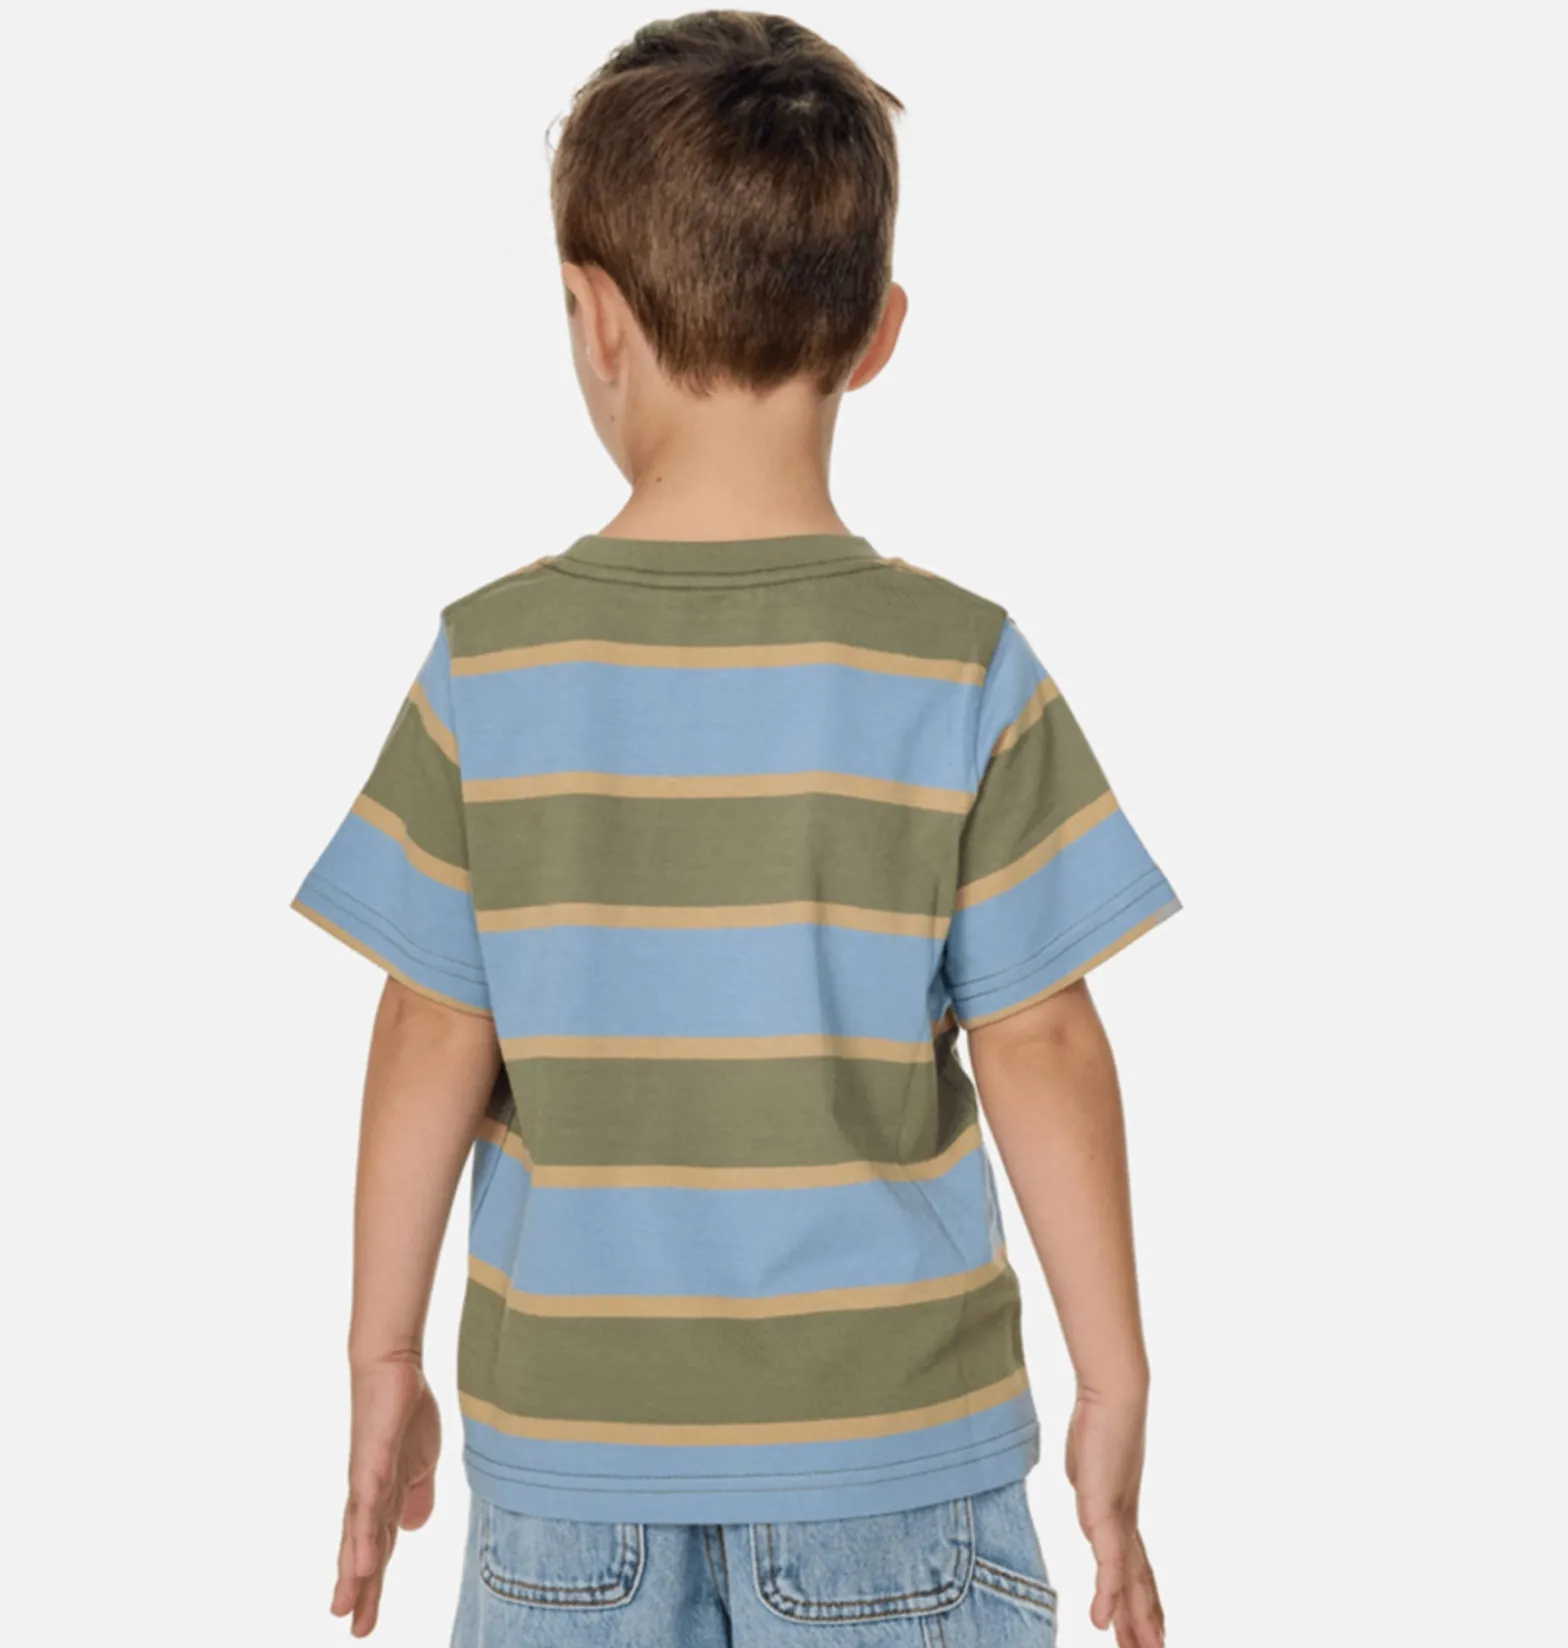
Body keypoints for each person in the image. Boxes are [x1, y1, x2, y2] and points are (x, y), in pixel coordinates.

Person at [291, 12, 1179, 1645]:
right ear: (879, 332)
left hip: (571, 1480)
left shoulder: (491, 667)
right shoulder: (960, 667)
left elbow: (429, 1024)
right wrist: (1113, 1382)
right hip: (895, 1464)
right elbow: (1043, 1038)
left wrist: (382, 1359)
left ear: (593, 318)